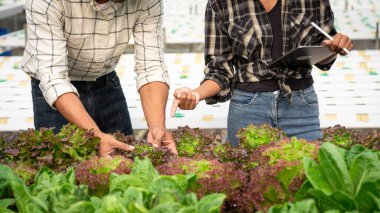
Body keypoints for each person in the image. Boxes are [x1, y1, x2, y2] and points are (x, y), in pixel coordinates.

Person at [170, 0, 353, 147]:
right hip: (248, 110)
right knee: (250, 183)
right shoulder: (220, 4)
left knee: (307, 181)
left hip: (301, 108)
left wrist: (335, 48)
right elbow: (219, 71)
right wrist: (195, 94)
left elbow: (323, 53)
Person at [22, 0, 177, 157]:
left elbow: (151, 67)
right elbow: (53, 78)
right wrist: (96, 135)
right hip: (57, 93)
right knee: (62, 169)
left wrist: (157, 125)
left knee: (125, 161)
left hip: (105, 81)